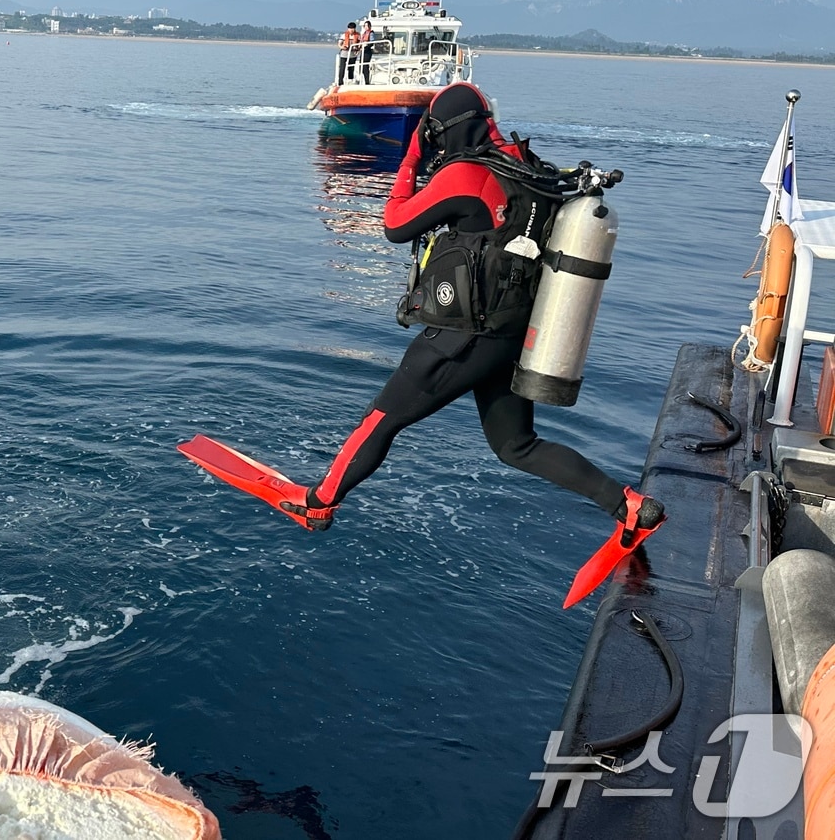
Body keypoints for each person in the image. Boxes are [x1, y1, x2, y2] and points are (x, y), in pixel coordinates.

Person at [269, 82, 665, 542]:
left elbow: (395, 224)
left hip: (463, 337)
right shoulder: (530, 169)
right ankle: (631, 507)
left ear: (447, 131)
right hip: (514, 332)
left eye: (434, 134)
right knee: (516, 445)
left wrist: (412, 158)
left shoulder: (466, 175)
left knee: (381, 419)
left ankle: (316, 504)